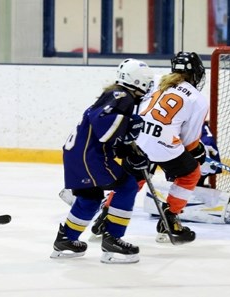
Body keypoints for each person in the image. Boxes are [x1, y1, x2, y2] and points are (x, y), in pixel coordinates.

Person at [50, 58, 154, 264]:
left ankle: (65, 239)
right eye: (148, 81)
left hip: (78, 155)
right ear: (138, 80)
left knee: (90, 198)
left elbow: (105, 132)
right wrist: (130, 123)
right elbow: (104, 127)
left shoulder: (116, 94)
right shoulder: (123, 96)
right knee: (127, 186)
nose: (150, 85)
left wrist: (127, 148)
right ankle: (113, 239)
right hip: (90, 157)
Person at [133, 51, 210, 243]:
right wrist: (197, 151)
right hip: (164, 145)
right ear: (196, 73)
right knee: (190, 173)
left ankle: (106, 215)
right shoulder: (197, 98)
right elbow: (189, 140)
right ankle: (170, 219)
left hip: (137, 138)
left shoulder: (157, 80)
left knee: (137, 175)